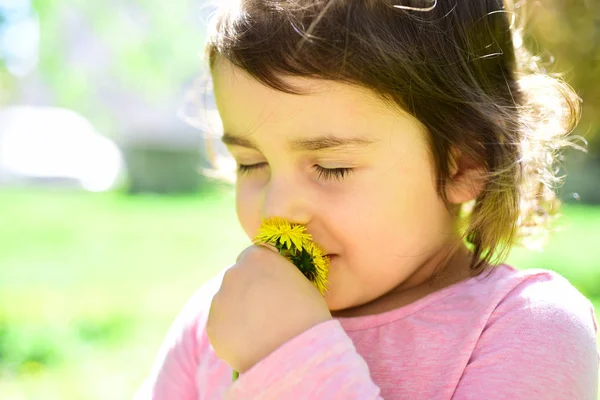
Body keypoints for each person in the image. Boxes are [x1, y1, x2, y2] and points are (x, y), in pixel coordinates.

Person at [135, 0, 599, 398]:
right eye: (251, 163)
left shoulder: (530, 331)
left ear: (464, 163)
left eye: (331, 167)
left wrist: (289, 360)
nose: (277, 208)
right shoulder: (216, 317)